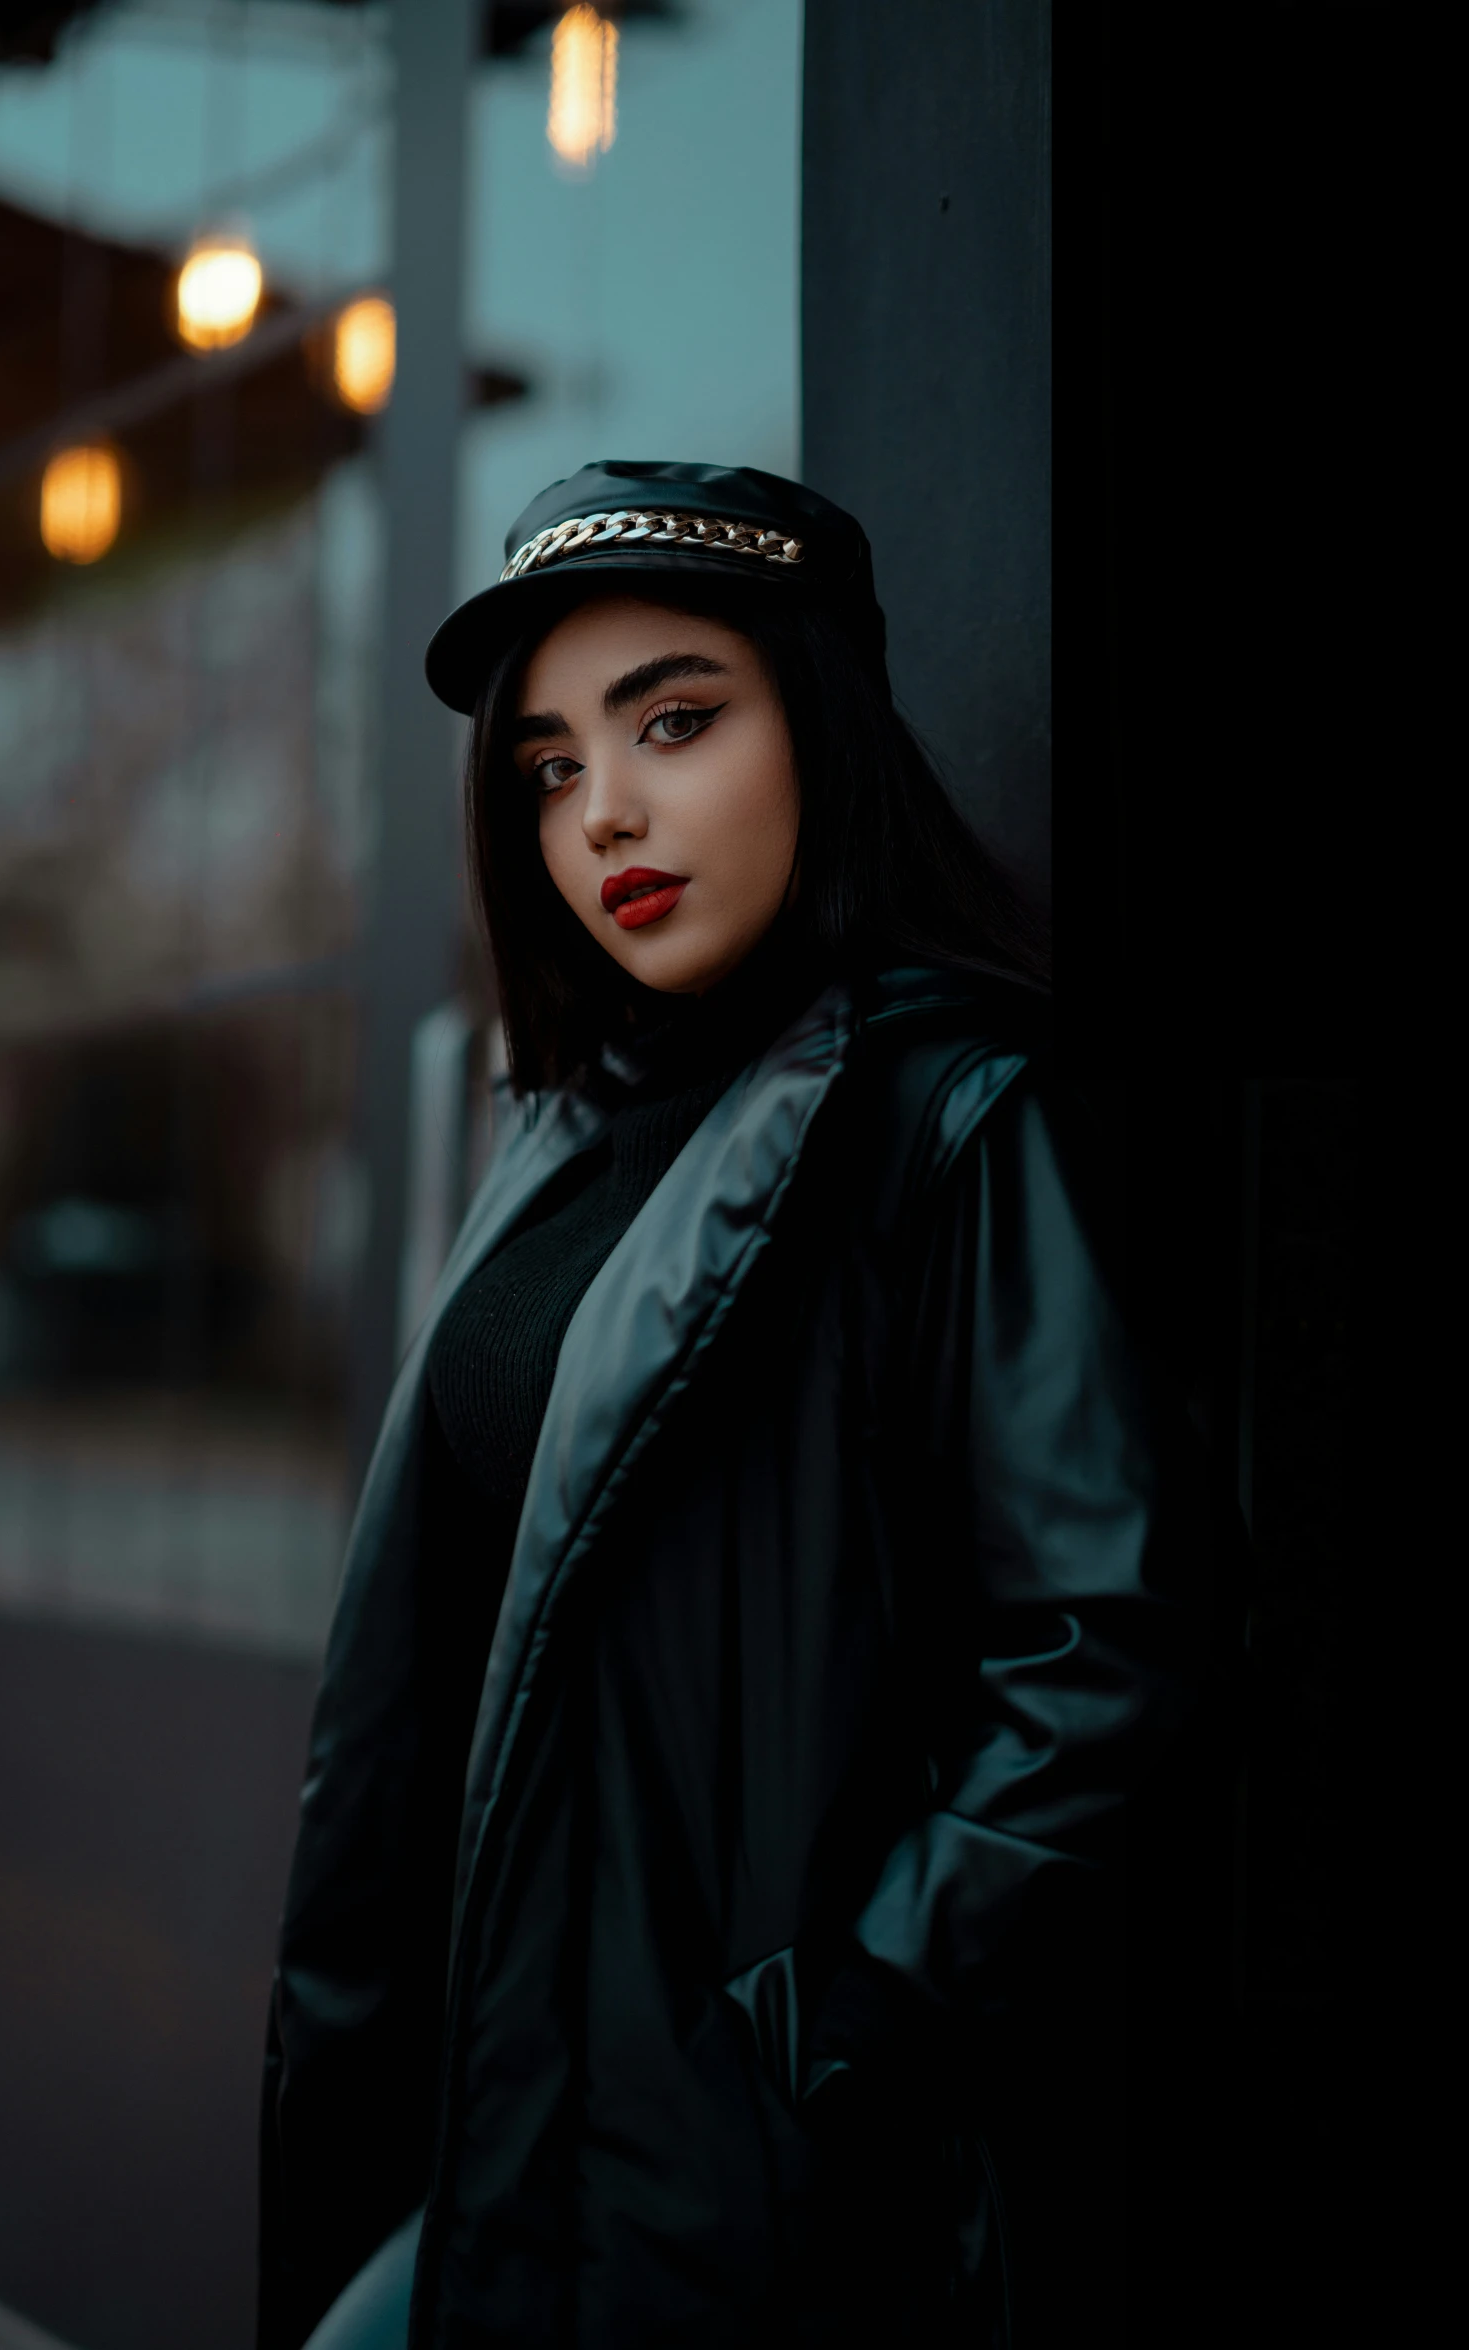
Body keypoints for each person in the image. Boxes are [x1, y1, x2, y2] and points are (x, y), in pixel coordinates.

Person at [257, 461, 1231, 2350]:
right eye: (546, 765)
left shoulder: (947, 1117)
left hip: (746, 2166)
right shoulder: (566, 1130)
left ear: (821, 725)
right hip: (505, 2111)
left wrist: (853, 2011)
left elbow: (1116, 1634)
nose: (601, 807)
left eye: (675, 721)